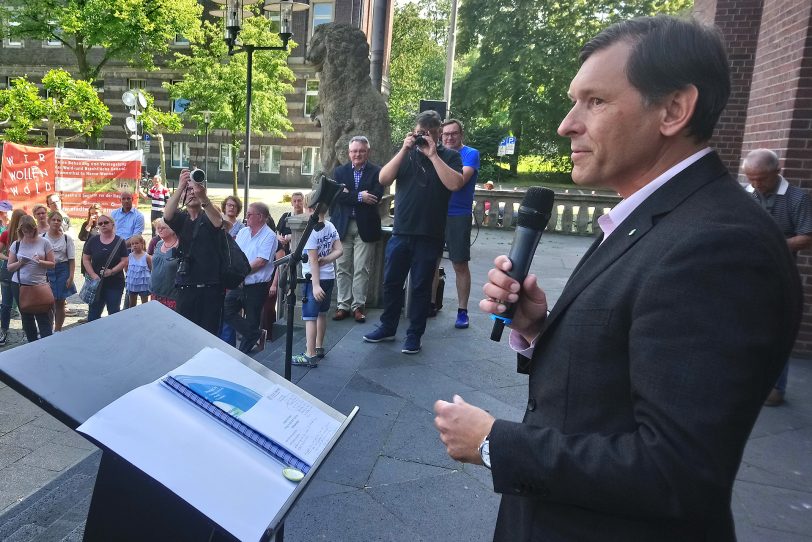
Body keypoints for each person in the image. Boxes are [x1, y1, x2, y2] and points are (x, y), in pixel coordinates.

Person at [433, 16, 802, 541]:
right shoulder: (660, 216)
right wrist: (539, 328)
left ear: (674, 110)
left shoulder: (720, 246)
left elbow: (676, 473)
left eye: (595, 101)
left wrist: (495, 442)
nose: (566, 124)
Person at [362, 110, 464, 354]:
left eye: (430, 133)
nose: (424, 137)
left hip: (430, 234)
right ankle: (387, 327)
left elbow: (455, 184)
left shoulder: (449, 156)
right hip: (402, 231)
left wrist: (433, 155)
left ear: (439, 133)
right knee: (391, 282)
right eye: (420, 133)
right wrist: (404, 149)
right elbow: (383, 178)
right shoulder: (406, 155)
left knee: (420, 287)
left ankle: (414, 335)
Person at [743, 148, 812, 406]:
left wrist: (770, 244)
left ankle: (775, 387)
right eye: (751, 178)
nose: (756, 184)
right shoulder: (745, 194)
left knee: (775, 331)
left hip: (779, 276)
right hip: (746, 274)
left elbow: (807, 237)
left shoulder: (797, 199)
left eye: (762, 178)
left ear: (777, 172)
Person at [163, 168, 225, 335]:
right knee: (186, 333)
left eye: (194, 190)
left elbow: (218, 221)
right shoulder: (182, 219)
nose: (192, 193)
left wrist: (203, 197)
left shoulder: (209, 215)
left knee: (208, 334)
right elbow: (167, 215)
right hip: (186, 284)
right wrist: (181, 186)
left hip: (210, 286)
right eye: (188, 191)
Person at [330, 135, 384, 324]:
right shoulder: (339, 172)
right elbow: (336, 197)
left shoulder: (378, 172)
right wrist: (360, 196)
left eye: (361, 150)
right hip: (343, 225)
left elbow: (376, 196)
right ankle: (342, 305)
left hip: (366, 227)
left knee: (362, 268)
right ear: (349, 153)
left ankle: (358, 306)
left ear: (367, 152)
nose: (357, 154)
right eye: (354, 151)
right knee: (342, 267)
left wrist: (350, 195)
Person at [438, 119, 480, 329]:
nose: (449, 137)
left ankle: (462, 311)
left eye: (453, 133)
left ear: (461, 134)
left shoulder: (470, 154)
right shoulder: (435, 153)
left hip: (458, 214)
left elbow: (458, 182)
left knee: (459, 263)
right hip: (434, 213)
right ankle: (427, 304)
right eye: (445, 134)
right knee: (430, 262)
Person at [292, 194, 343, 367]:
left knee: (309, 317)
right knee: (322, 314)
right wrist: (327, 260)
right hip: (329, 277)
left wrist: (314, 285)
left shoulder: (311, 230)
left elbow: (313, 261)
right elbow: (339, 250)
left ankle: (310, 353)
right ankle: (319, 347)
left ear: (310, 209)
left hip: (313, 280)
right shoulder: (330, 226)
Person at [223, 202, 278, 354]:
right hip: (239, 283)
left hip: (256, 286)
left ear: (260, 217)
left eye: (249, 215)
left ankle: (242, 355)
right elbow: (235, 254)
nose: (245, 218)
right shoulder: (243, 232)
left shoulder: (269, 235)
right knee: (225, 310)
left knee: (252, 319)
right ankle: (255, 334)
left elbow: (261, 261)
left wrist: (241, 272)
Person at [7, 215, 55, 341]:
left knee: (43, 316)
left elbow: (52, 264)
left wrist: (40, 262)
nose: (27, 233)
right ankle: (31, 344)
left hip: (40, 285)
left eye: (30, 230)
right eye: (24, 231)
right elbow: (9, 267)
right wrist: (20, 263)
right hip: (20, 285)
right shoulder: (16, 244)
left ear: (34, 228)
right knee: (26, 317)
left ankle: (47, 344)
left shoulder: (45, 242)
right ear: (20, 230)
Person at [82, 214, 128, 321]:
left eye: (106, 222)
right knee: (93, 313)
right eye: (100, 223)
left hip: (115, 282)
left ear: (112, 224)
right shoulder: (93, 240)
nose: (103, 225)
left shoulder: (120, 241)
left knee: (113, 312)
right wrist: (93, 275)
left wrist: (112, 271)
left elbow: (124, 260)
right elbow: (86, 259)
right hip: (96, 283)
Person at [43, 211, 77, 331]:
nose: (56, 222)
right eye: (54, 220)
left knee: (60, 302)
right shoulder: (42, 238)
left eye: (59, 220)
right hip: (46, 271)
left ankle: (58, 329)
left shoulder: (67, 239)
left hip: (63, 270)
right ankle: (47, 328)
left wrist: (71, 276)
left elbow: (72, 260)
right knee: (47, 302)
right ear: (49, 221)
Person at [0, 209, 25, 345]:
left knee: (20, 303)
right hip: (11, 271)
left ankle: (25, 330)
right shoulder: (6, 234)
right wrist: (10, 258)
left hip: (21, 270)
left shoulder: (26, 234)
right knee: (7, 303)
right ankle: (5, 331)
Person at [149, 218, 180, 310]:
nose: (159, 230)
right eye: (158, 227)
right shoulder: (158, 243)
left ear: (173, 229)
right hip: (155, 292)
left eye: (163, 227)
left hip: (172, 296)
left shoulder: (181, 245)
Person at [125, 234, 152, 308]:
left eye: (136, 243)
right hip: (132, 283)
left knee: (145, 304)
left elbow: (151, 269)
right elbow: (126, 268)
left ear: (142, 243)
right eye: (132, 244)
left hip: (143, 284)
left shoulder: (147, 257)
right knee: (132, 304)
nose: (134, 245)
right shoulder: (130, 256)